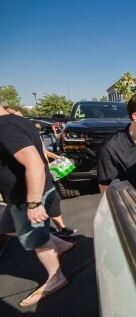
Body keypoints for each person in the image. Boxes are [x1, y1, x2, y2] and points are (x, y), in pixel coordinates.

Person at [0, 101, 74, 307]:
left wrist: (33, 204)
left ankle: (56, 277)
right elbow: (40, 152)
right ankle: (61, 244)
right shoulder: (19, 121)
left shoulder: (4, 127)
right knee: (6, 227)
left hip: (27, 195)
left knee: (36, 239)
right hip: (22, 193)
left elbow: (33, 161)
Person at [4, 107, 76, 238]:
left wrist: (54, 157)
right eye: (16, 116)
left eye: (20, 117)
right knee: (32, 230)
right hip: (24, 187)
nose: (20, 119)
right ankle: (54, 234)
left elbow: (42, 151)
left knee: (52, 202)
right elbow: (34, 161)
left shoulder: (23, 128)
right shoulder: (11, 132)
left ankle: (59, 232)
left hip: (40, 177)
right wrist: (34, 204)